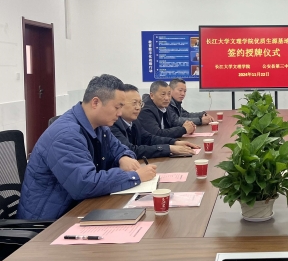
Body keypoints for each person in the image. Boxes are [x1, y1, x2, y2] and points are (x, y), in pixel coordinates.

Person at [17, 74, 157, 220]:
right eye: (117, 107)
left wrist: (124, 157)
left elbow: (120, 149)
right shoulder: (66, 135)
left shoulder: (100, 127)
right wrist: (135, 176)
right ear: (95, 102)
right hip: (50, 221)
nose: (120, 113)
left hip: (78, 207)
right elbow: (85, 184)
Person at [110, 84, 201, 158]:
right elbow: (131, 150)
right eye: (134, 103)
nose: (138, 108)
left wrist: (175, 142)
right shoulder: (112, 124)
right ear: (120, 104)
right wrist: (169, 148)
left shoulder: (134, 121)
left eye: (140, 103)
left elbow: (149, 138)